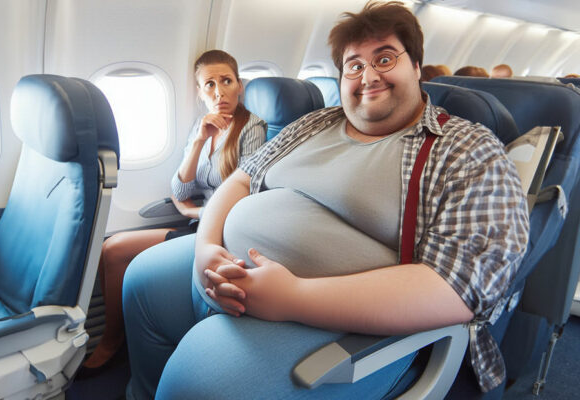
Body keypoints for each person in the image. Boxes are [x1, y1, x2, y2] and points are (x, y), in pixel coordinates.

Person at [122, 2, 529, 399]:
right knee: (140, 280)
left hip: (331, 320)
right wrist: (206, 246)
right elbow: (241, 180)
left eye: (385, 59)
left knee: (198, 383)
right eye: (354, 65)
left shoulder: (466, 147)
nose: (367, 75)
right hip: (227, 267)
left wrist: (293, 297)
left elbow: (459, 286)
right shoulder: (317, 122)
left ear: (417, 67)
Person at [81, 49, 267, 372]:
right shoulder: (203, 126)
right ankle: (118, 338)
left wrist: (194, 212)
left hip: (224, 233)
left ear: (239, 85)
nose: (219, 92)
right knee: (110, 250)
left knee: (118, 252)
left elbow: (243, 197)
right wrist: (198, 142)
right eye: (209, 84)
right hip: (201, 225)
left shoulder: (251, 127)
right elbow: (180, 190)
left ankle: (112, 343)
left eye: (226, 81)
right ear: (199, 92)